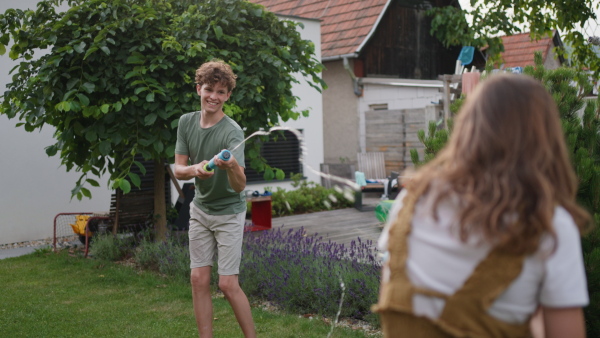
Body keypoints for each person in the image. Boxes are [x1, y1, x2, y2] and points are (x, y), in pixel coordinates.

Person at [372, 74, 591, 338]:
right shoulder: (547, 224)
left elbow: (392, 297)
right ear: (545, 139)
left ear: (468, 128)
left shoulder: (411, 202)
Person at [174, 60, 255, 338]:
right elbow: (179, 169)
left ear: (228, 95)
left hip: (229, 213)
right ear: (199, 89)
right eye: (209, 89)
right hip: (201, 209)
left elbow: (239, 186)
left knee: (228, 284)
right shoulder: (186, 122)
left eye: (221, 92)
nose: (214, 97)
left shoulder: (232, 132)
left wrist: (232, 166)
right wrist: (195, 169)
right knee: (198, 279)